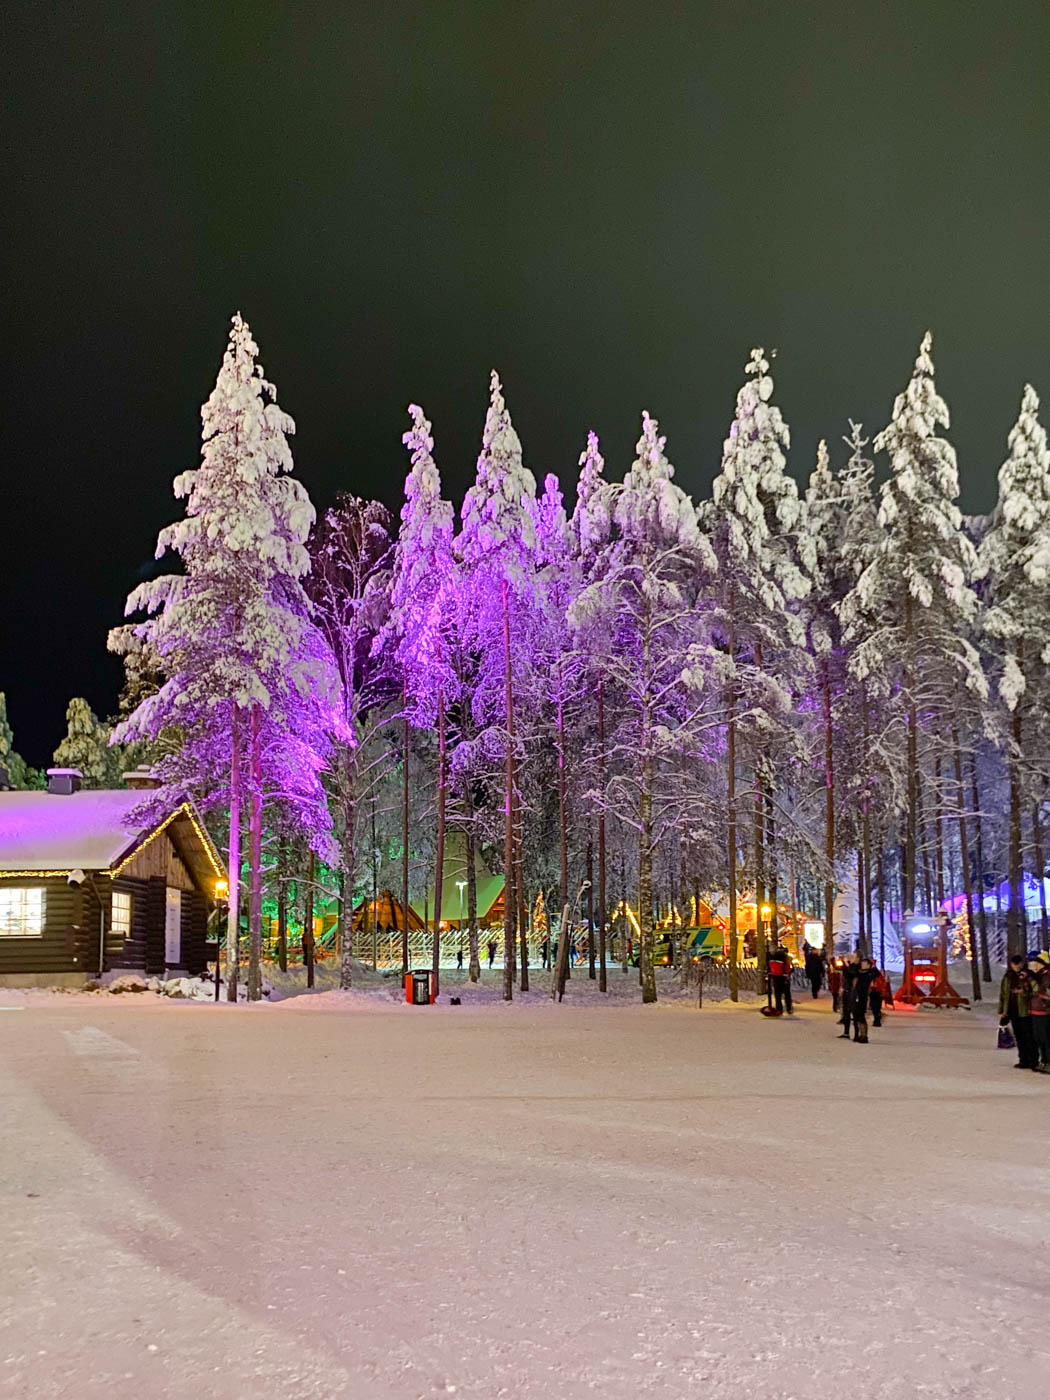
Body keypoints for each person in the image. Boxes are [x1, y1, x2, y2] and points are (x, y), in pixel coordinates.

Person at [998, 954, 1036, 1070]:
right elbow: (1003, 994)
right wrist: (1002, 1010)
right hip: (1013, 1010)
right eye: (1014, 965)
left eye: (1018, 964)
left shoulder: (1027, 975)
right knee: (1019, 1036)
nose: (1016, 967)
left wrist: (1023, 993)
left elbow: (1034, 991)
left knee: (1028, 1036)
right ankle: (1023, 1059)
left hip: (1025, 1011)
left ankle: (1032, 1060)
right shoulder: (1008, 977)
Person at [1026, 951, 1050, 1071]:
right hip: (1035, 1010)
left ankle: (1048, 1061)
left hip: (1044, 1011)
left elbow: (1045, 992)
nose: (1035, 965)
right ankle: (1043, 1060)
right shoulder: (1039, 976)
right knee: (1039, 1038)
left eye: (1038, 963)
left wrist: (1039, 994)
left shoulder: (1046, 976)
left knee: (1045, 1038)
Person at [848, 957, 876, 1042]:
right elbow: (850, 972)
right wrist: (852, 963)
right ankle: (860, 1034)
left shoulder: (869, 974)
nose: (862, 965)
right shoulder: (860, 972)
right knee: (856, 1016)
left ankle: (864, 1035)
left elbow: (873, 975)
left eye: (864, 963)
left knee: (861, 1016)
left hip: (862, 997)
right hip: (856, 995)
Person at [838, 952, 860, 1038]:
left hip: (853, 992)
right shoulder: (851, 966)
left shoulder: (857, 967)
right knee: (846, 1011)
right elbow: (845, 974)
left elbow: (850, 974)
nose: (851, 957)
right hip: (847, 990)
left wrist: (845, 964)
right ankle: (846, 1032)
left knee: (854, 1013)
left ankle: (857, 1034)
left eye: (853, 956)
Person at [767, 942, 793, 1014]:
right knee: (787, 994)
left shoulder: (773, 959)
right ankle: (789, 1008)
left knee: (777, 994)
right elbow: (787, 968)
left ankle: (779, 1008)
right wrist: (787, 974)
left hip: (775, 977)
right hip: (783, 978)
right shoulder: (784, 959)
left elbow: (770, 968)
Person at [869, 960, 889, 1027]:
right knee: (875, 1007)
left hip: (877, 992)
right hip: (875, 992)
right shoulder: (877, 976)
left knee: (876, 1007)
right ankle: (877, 1020)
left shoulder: (878, 977)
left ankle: (877, 1021)